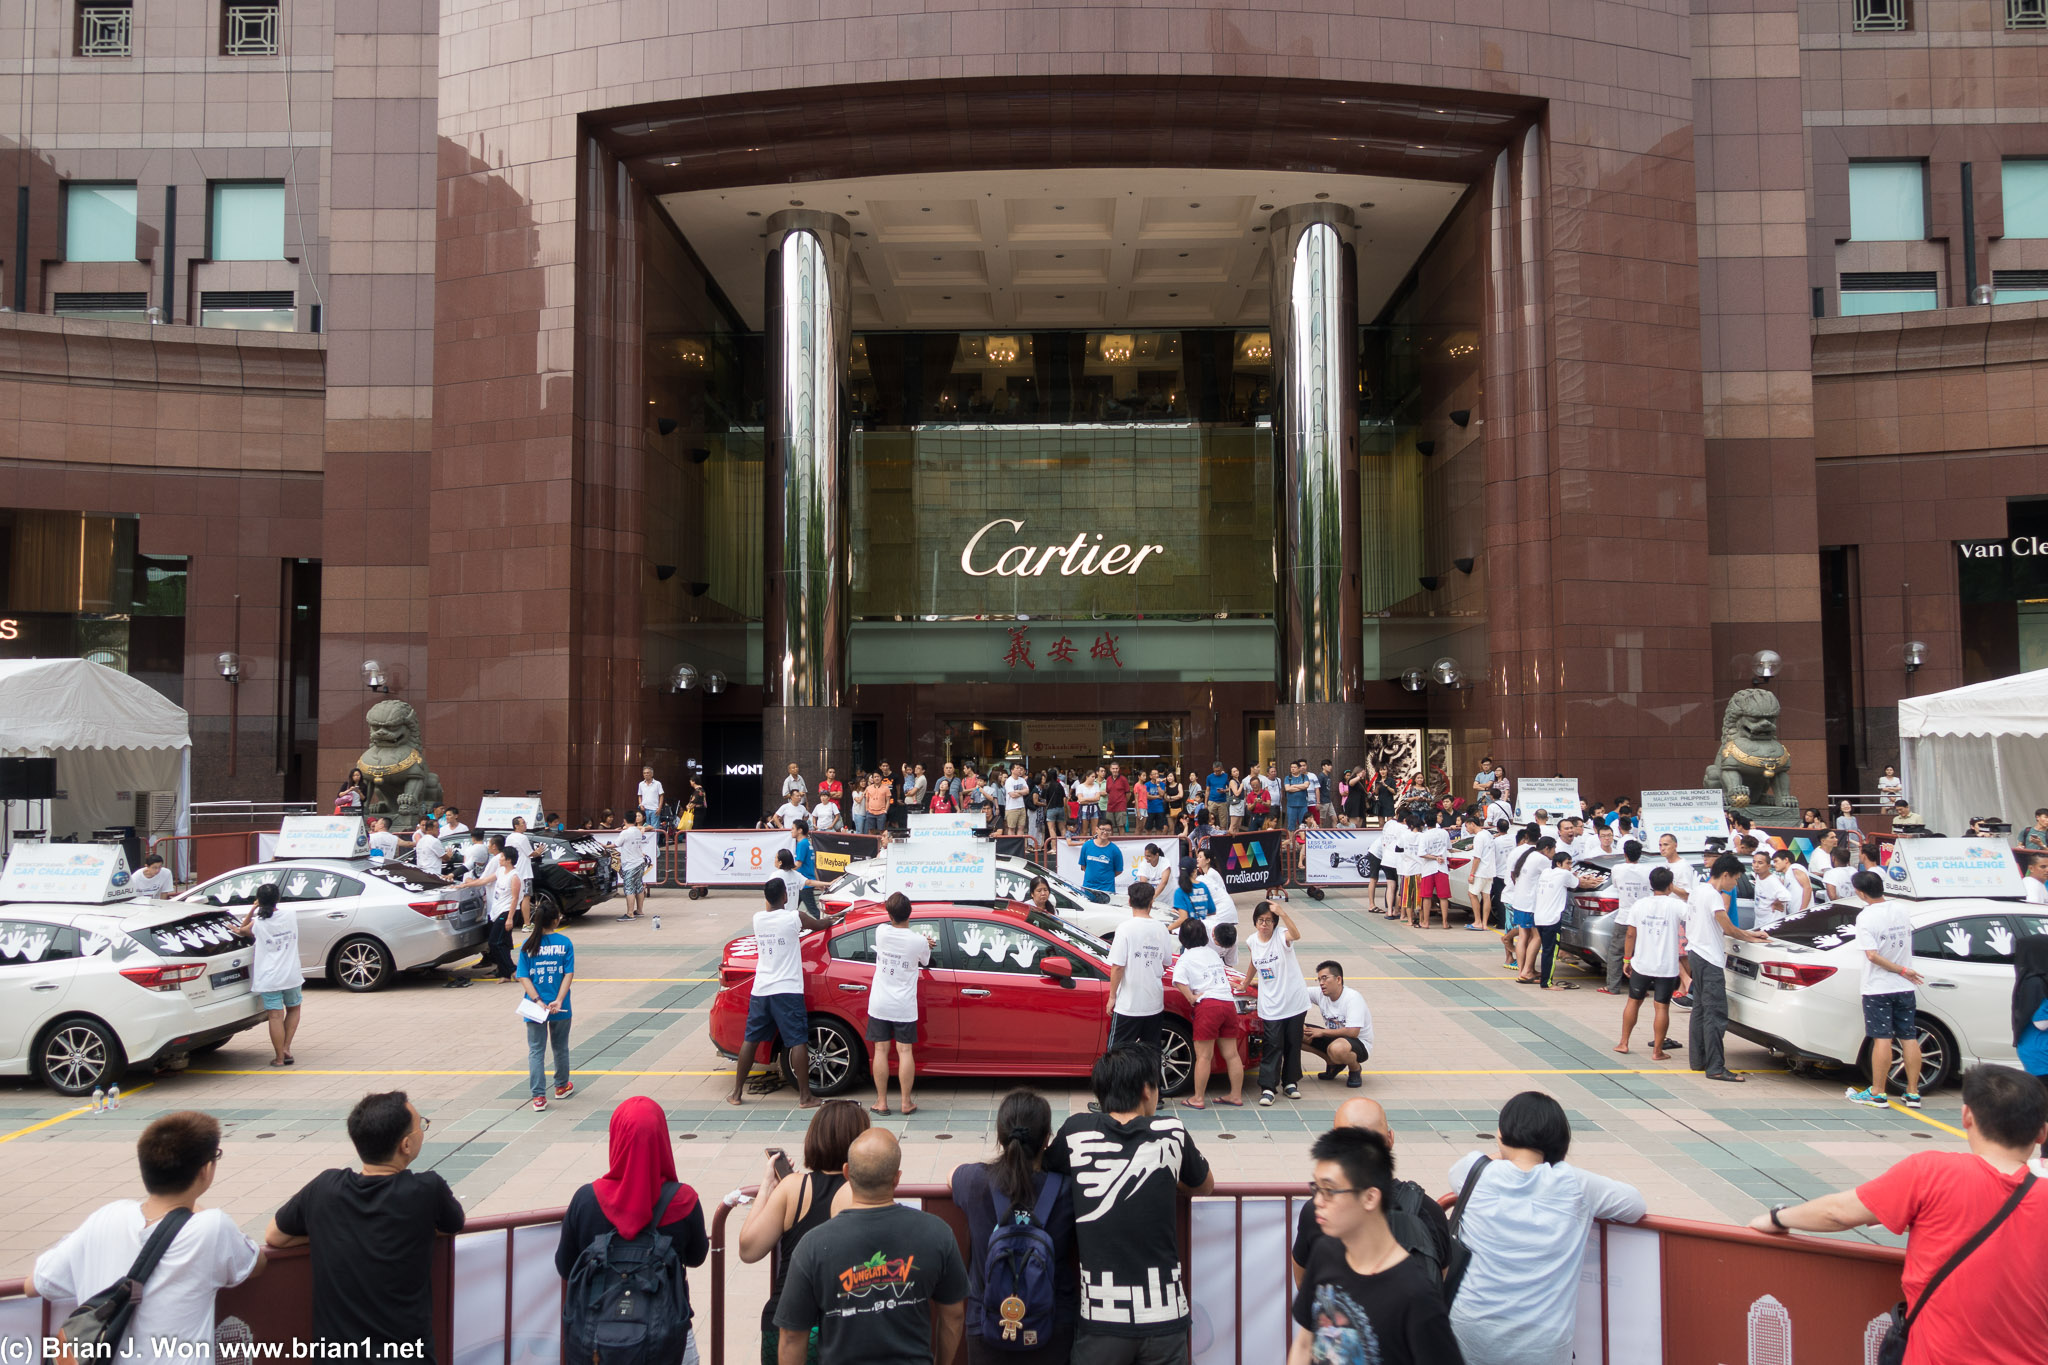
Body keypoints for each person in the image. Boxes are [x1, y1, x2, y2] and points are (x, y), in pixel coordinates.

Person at [1750, 1064, 2047, 1365]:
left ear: (1966, 1116)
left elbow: (1837, 1213)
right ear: (2041, 1133)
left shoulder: (1931, 1172)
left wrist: (1777, 1218)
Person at [27, 1111, 264, 1356]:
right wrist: (193, 1204)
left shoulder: (106, 1216)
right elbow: (256, 1263)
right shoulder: (212, 1227)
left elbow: (34, 1285)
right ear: (205, 1170)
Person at [1043, 1045, 1214, 1363]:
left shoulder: (1076, 1130)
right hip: (1165, 1315)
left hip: (1100, 1318)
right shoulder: (1171, 1132)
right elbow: (1205, 1184)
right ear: (1147, 1090)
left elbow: (1046, 1168)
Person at [1445, 1093, 1644, 1365]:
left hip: (1470, 1327)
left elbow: (1469, 1169)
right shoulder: (1577, 1185)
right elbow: (1634, 1205)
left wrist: (1501, 1154)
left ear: (1502, 1133)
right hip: (1541, 1341)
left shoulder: (1474, 1170)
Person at [265, 1092, 464, 1359]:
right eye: (422, 1125)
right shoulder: (427, 1190)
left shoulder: (325, 1188)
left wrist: (333, 1230)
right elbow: (453, 1223)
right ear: (406, 1145)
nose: (423, 1131)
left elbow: (275, 1237)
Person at [775, 1129, 968, 1365]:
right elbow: (954, 1315)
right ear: (897, 1178)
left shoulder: (812, 1246)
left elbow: (792, 1336)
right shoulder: (937, 1233)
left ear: (847, 1173)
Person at [1288, 1127, 1466, 1365]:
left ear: (1370, 1197)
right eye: (1316, 1188)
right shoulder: (1323, 1252)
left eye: (1330, 1191)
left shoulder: (1416, 1296)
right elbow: (1303, 1344)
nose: (1318, 1201)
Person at [556, 1096, 708, 1364]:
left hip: (596, 1344)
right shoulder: (684, 1200)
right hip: (668, 1340)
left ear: (617, 1139)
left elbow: (565, 1266)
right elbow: (696, 1257)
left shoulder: (586, 1200)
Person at [949, 1090, 1079, 1364]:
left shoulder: (974, 1181)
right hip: (1053, 1326)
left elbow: (952, 1176)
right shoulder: (1066, 1190)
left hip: (987, 1324)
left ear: (1000, 1137)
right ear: (1046, 1139)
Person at [739, 1101, 871, 1365]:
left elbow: (748, 1249)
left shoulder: (793, 1188)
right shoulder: (864, 1193)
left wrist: (767, 1187)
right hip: (844, 1325)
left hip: (786, 1323)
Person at [1290, 1098, 1452, 1284]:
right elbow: (1440, 1280)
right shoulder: (1430, 1211)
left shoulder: (1318, 1211)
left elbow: (1303, 1281)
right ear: (1390, 1139)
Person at [730, 878, 832, 1108]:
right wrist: (834, 919)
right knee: (797, 1041)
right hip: (787, 990)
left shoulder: (758, 919)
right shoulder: (794, 917)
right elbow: (821, 925)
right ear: (785, 897)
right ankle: (805, 1096)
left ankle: (736, 1093)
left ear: (766, 898)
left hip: (762, 990)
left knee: (751, 1039)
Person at [1844, 867, 1928, 1109]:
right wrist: (1904, 971)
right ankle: (1913, 1093)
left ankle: (1878, 1092)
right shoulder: (1901, 909)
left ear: (1860, 893)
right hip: (1904, 988)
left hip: (1879, 987)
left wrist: (1901, 970)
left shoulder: (1866, 917)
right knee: (1909, 1037)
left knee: (1882, 1038)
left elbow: (1872, 955)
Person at [1687, 853, 1769, 1083]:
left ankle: (1699, 1060)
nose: (1734, 885)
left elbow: (1724, 927)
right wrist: (1751, 938)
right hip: (1709, 959)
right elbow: (1729, 929)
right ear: (1725, 875)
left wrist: (1749, 933)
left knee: (1700, 1009)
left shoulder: (1698, 890)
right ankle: (1715, 1067)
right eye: (1735, 880)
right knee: (1715, 1014)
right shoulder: (1713, 896)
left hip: (1695, 954)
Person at [865, 892, 929, 1116]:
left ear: (889, 914)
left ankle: (881, 1102)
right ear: (910, 913)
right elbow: (926, 960)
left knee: (880, 1050)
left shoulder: (880, 932)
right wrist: (926, 943)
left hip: (880, 1003)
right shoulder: (918, 940)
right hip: (903, 1004)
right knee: (904, 1051)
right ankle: (905, 1102)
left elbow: (888, 930)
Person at [1613, 866, 1687, 1060]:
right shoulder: (1676, 906)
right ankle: (1657, 1051)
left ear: (1650, 884)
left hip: (1641, 963)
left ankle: (1623, 1042)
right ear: (1670, 885)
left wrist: (1627, 959)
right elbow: (1691, 911)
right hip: (1666, 966)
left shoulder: (1639, 905)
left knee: (1633, 1001)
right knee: (1661, 1007)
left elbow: (1630, 934)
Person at [1172, 918, 1245, 1108]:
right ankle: (1235, 1095)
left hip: (1209, 1006)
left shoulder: (1186, 957)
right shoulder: (1213, 954)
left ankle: (1198, 1098)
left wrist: (1191, 997)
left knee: (1204, 1056)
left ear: (1183, 938)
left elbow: (1179, 980)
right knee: (1232, 1054)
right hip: (1228, 1004)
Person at [1248, 899, 1311, 1106]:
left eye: (1268, 920)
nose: (1264, 924)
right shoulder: (1252, 941)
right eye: (1260, 920)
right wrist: (1245, 982)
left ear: (1274, 923)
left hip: (1294, 1001)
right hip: (1271, 1004)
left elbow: (1297, 935)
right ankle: (1268, 1087)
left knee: (1293, 1042)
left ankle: (1290, 1082)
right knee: (1273, 1043)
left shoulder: (1281, 936)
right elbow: (1253, 963)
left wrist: (1282, 913)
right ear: (1255, 922)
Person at [238, 882, 304, 1065]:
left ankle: (279, 1058)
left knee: (275, 1016)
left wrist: (253, 908)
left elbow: (242, 930)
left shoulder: (259, 923)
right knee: (294, 1008)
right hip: (291, 974)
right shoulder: (290, 915)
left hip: (269, 978)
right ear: (278, 898)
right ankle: (286, 1048)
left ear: (260, 900)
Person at [517, 900, 575, 1110]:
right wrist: (559, 999)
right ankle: (561, 1086)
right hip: (561, 1006)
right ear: (555, 920)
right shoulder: (565, 943)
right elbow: (568, 973)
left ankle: (538, 1097)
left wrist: (538, 1001)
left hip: (535, 1008)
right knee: (560, 1047)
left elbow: (523, 976)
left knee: (536, 1050)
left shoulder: (528, 946)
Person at [1103, 881, 1173, 1056]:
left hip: (1128, 1004)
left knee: (1117, 1056)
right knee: (1151, 1055)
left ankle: (1119, 1084)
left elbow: (1118, 966)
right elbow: (1166, 962)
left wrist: (1112, 996)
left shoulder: (1125, 929)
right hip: (1154, 1003)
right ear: (1151, 902)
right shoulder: (1161, 929)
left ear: (1129, 901)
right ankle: (1152, 1084)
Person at [1531, 850, 1598, 990]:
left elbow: (1571, 878)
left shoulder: (1546, 873)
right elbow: (1581, 884)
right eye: (1567, 863)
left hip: (1539, 917)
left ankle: (1545, 979)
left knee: (1547, 951)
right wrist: (1595, 882)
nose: (1570, 866)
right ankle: (1547, 983)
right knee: (1551, 952)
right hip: (1552, 920)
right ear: (1558, 863)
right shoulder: (1564, 874)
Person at [462, 841, 524, 981]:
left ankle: (512, 970)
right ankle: (505, 973)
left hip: (507, 912)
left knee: (495, 942)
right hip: (497, 911)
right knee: (501, 943)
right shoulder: (500, 871)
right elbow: (483, 881)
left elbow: (515, 899)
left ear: (508, 860)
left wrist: (509, 918)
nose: (499, 859)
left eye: (502, 857)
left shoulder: (515, 877)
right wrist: (465, 885)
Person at [1306, 960, 1372, 1087]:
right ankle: (1332, 1063)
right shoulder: (1320, 994)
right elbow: (1293, 991)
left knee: (1337, 1049)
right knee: (1296, 1032)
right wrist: (1258, 984)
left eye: (1325, 978)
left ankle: (1355, 1069)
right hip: (1335, 1038)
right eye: (1319, 979)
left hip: (1358, 1044)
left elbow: (1353, 1032)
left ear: (1338, 979)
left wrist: (1322, 1032)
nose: (1321, 983)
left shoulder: (1352, 998)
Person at [2013, 936, 2048, 1088]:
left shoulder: (2029, 979)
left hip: (2033, 1048)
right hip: (2041, 1052)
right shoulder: (2036, 983)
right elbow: (2041, 1023)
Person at [616, 810, 650, 921]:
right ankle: (639, 910)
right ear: (635, 820)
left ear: (624, 820)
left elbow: (615, 844)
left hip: (630, 864)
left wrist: (604, 846)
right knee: (639, 886)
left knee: (629, 888)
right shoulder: (637, 831)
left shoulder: (625, 833)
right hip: (639, 862)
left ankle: (630, 913)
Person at [1077, 824, 1124, 902]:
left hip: (1107, 890)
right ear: (1096, 829)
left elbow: (1118, 870)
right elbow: (1083, 865)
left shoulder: (1115, 850)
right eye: (1102, 829)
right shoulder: (1087, 846)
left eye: (1108, 830)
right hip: (1088, 889)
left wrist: (1106, 877)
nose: (1105, 832)